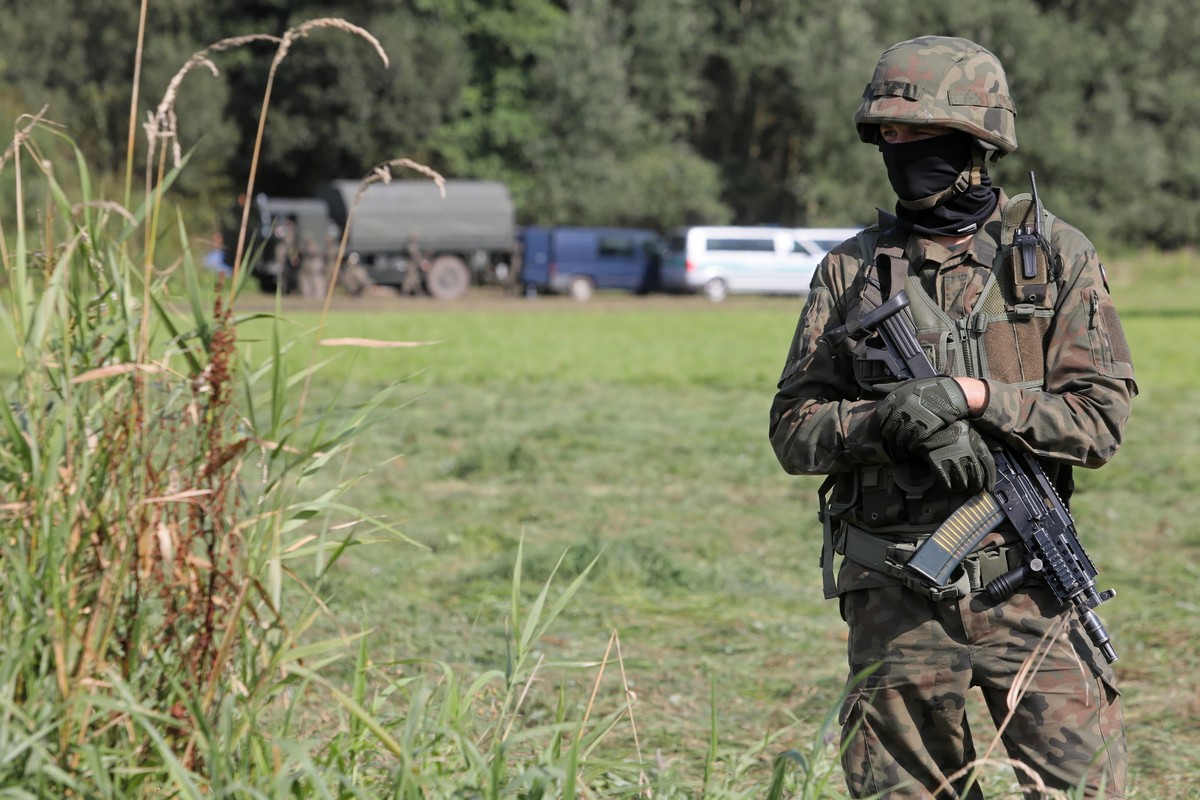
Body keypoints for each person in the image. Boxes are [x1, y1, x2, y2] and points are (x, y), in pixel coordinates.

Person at [768, 36, 1136, 799]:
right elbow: (794, 427)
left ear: (975, 144)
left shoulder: (1054, 257)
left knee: (1086, 786)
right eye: (887, 136)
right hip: (895, 599)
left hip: (1028, 586)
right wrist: (891, 423)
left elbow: (1099, 421)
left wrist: (975, 399)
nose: (898, 149)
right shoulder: (852, 271)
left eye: (918, 134)